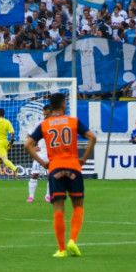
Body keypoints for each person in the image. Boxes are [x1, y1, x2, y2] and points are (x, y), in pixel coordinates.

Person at [25, 91, 93, 258]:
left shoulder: (45, 124)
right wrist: (83, 159)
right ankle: (73, 240)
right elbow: (92, 137)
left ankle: (61, 249)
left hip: (55, 168)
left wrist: (44, 164)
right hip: (73, 167)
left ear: (52, 106)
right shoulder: (73, 121)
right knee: (78, 205)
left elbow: (28, 144)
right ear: (63, 105)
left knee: (58, 208)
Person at [0, 108, 21, 177]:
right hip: (6, 142)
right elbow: (12, 133)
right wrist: (11, 142)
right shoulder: (7, 122)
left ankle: (14, 168)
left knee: (4, 159)